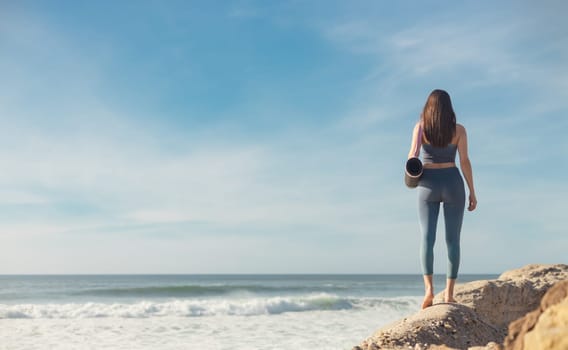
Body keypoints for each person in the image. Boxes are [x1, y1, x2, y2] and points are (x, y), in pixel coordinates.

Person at [407, 89, 477, 309]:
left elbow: (412, 155)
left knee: (427, 239)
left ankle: (428, 291)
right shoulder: (459, 130)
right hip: (453, 182)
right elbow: (464, 161)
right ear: (449, 108)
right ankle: (449, 293)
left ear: (428, 107)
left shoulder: (420, 128)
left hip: (427, 183)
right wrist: (472, 191)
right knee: (453, 240)